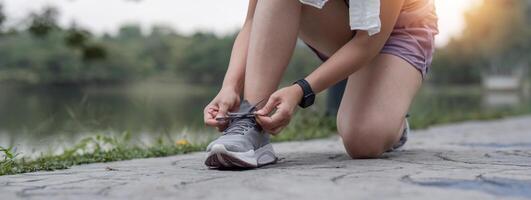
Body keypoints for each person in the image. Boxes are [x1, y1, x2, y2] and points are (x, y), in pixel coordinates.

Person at [203, 0, 438, 169]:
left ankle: (393, 118)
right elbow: (253, 20)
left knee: (363, 141)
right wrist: (230, 86)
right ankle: (251, 122)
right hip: (340, 21)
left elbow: (368, 43)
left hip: (398, 30)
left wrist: (300, 90)